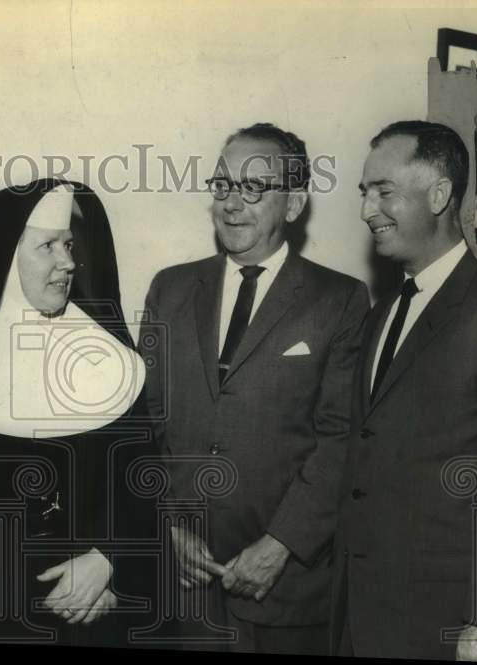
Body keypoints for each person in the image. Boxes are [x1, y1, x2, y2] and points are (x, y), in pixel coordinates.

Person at [330, 120, 477, 661]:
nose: (367, 211)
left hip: (445, 625)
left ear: (439, 195)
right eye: (365, 193)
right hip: (362, 612)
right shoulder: (385, 311)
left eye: (384, 192)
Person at [141, 123, 370, 654]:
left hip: (286, 589)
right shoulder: (170, 288)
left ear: (293, 204)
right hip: (184, 582)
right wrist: (169, 524)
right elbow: (146, 421)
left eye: (253, 188)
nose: (231, 204)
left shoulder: (339, 300)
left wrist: (280, 544)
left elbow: (340, 439)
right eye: (222, 186)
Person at [0, 179, 156, 647]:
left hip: (102, 616)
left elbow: (144, 486)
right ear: (5, 258)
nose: (68, 262)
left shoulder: (111, 361)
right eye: (47, 246)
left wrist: (110, 563)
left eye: (70, 244)